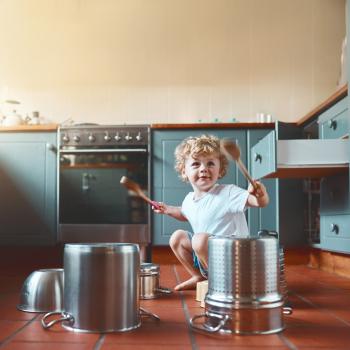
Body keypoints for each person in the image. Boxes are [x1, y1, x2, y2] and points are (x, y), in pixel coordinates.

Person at [153, 134, 269, 291]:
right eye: (195, 164)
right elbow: (184, 212)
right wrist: (166, 209)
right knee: (177, 238)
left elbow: (257, 202)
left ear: (220, 169)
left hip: (234, 259)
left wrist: (260, 195)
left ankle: (223, 283)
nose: (203, 169)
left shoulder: (228, 192)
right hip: (208, 259)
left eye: (210, 163)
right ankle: (199, 276)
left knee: (199, 240)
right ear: (184, 171)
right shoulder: (189, 199)